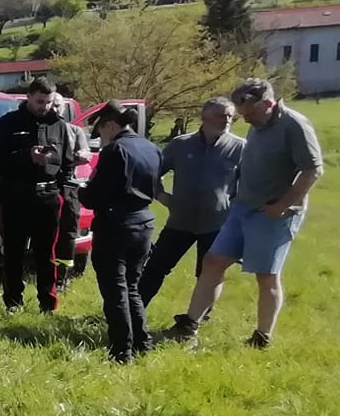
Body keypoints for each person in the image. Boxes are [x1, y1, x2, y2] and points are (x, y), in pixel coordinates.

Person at [166, 78, 324, 349]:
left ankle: (262, 337)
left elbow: (313, 169)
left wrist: (282, 205)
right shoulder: (258, 124)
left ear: (268, 103)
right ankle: (189, 325)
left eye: (249, 114)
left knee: (266, 276)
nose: (245, 120)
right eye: (242, 115)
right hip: (242, 208)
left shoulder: (294, 125)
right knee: (213, 261)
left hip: (274, 213)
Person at [142, 98, 241, 314]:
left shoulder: (239, 148)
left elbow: (249, 185)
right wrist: (159, 194)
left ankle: (196, 320)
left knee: (208, 274)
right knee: (155, 268)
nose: (227, 120)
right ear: (204, 118)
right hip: (180, 221)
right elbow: (152, 171)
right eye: (221, 115)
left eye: (230, 116)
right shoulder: (181, 144)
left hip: (217, 225)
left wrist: (234, 209)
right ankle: (134, 311)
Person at [0, 76, 74, 311]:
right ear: (28, 97)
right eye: (39, 101)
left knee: (46, 253)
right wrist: (26, 156)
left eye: (47, 102)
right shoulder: (8, 123)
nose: (43, 107)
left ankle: (48, 302)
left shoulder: (59, 125)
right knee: (14, 252)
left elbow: (67, 163)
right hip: (16, 196)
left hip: (47, 197)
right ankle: (13, 301)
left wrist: (62, 191)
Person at [81, 101, 160, 362]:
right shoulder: (151, 148)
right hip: (144, 221)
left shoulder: (115, 150)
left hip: (116, 224)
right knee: (132, 286)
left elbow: (95, 196)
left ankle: (121, 350)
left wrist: (79, 191)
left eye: (101, 132)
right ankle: (142, 342)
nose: (101, 139)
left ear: (110, 125)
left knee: (115, 290)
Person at [50, 91, 93, 295]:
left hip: (68, 187)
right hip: (45, 187)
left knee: (68, 232)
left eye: (58, 105)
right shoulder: (42, 129)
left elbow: (86, 154)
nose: (54, 108)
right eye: (52, 104)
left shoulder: (75, 131)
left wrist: (73, 158)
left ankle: (62, 276)